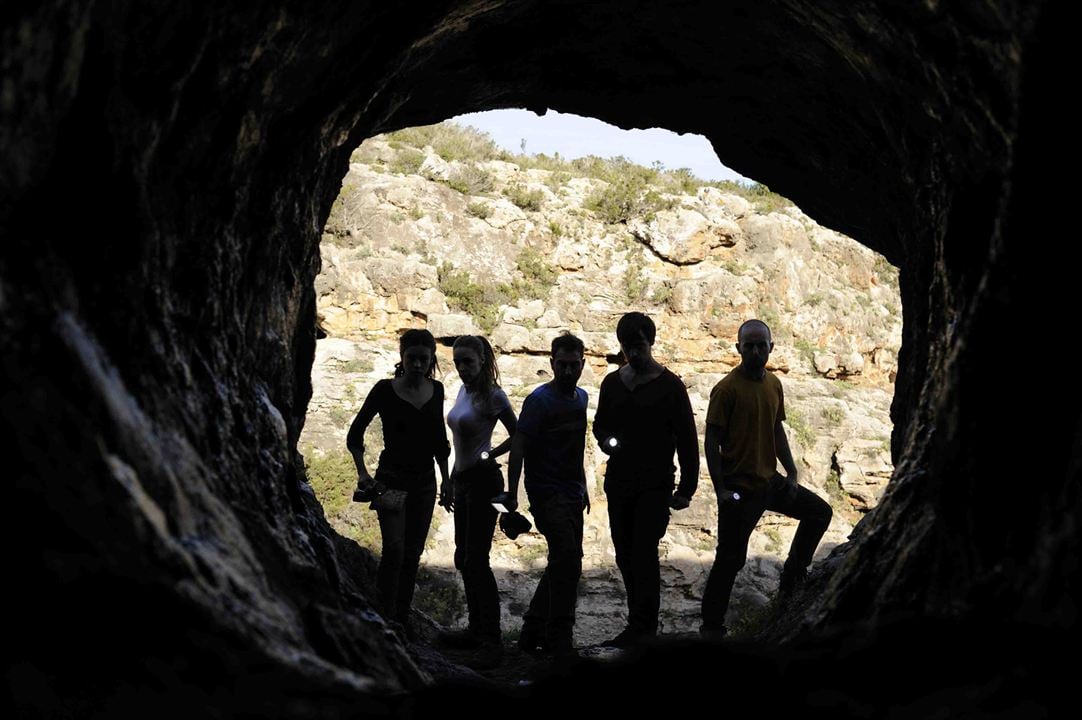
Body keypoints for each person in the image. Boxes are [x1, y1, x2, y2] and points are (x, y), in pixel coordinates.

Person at [700, 319, 833, 638]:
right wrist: (720, 489)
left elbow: (776, 429)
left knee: (819, 512)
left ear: (772, 348)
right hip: (739, 488)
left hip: (770, 481)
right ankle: (712, 627)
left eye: (762, 345)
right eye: (750, 346)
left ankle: (793, 577)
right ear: (739, 349)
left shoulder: (774, 384)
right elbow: (711, 441)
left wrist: (791, 471)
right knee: (730, 560)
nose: (756, 351)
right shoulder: (726, 389)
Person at [593, 312, 698, 647]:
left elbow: (687, 438)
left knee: (643, 552)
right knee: (624, 553)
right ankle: (636, 624)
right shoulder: (612, 383)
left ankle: (644, 629)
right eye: (627, 347)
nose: (633, 353)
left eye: (638, 345)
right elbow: (599, 426)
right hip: (620, 481)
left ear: (650, 342)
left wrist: (687, 487)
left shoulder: (670, 386)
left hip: (655, 484)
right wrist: (607, 441)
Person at [347, 329, 451, 631]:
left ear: (431, 359)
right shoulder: (383, 389)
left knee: (412, 553)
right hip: (390, 479)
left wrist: (446, 480)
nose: (417, 364)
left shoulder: (438, 390)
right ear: (401, 357)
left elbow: (439, 440)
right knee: (393, 549)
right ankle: (381, 616)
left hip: (425, 481)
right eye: (412, 358)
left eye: (423, 358)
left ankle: (400, 619)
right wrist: (363, 473)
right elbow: (355, 433)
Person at [498, 332, 589, 655]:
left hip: (573, 492)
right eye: (561, 365)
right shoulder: (539, 401)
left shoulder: (582, 398)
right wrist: (512, 492)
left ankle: (532, 629)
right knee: (567, 558)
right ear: (551, 363)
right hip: (546, 492)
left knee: (564, 561)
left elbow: (575, 448)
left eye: (573, 365)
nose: (567, 371)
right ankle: (559, 634)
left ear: (583, 363)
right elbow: (520, 446)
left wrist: (584, 487)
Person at [439, 335, 517, 659]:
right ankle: (476, 629)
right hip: (463, 481)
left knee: (476, 558)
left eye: (467, 362)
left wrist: (493, 453)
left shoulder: (494, 397)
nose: (461, 368)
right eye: (457, 362)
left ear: (482, 360)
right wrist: (451, 480)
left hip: (485, 483)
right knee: (463, 556)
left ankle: (491, 637)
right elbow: (458, 442)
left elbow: (520, 434)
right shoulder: (462, 391)